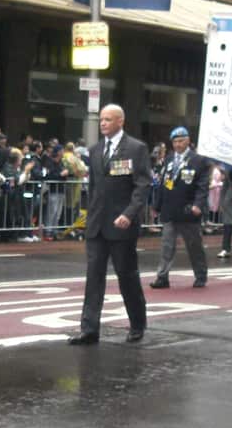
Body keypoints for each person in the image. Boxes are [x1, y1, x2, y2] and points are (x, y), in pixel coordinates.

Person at [68, 104, 151, 344]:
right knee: (93, 276)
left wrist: (130, 213)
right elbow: (94, 188)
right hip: (97, 224)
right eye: (101, 119)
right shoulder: (95, 150)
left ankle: (137, 323)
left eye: (108, 119)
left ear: (120, 122)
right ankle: (89, 329)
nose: (103, 123)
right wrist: (89, 216)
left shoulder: (136, 148)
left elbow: (142, 185)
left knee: (126, 275)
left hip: (122, 224)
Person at [149, 126, 210, 289]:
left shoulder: (199, 161)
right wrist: (156, 205)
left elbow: (202, 186)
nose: (178, 144)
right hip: (169, 210)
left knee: (194, 245)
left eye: (181, 141)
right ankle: (162, 277)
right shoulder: (169, 159)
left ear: (188, 141)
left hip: (188, 210)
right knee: (167, 245)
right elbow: (163, 183)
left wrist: (198, 205)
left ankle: (200, 275)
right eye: (175, 141)